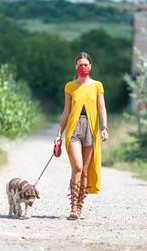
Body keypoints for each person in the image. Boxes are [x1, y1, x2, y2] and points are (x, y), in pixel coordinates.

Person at [54, 52, 108, 219]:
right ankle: (72, 206)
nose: (83, 68)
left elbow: (101, 108)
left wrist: (104, 127)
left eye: (85, 65)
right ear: (75, 67)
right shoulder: (70, 86)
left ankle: (79, 207)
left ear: (90, 66)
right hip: (74, 129)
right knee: (77, 166)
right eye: (80, 65)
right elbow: (66, 111)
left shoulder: (97, 85)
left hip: (90, 129)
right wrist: (59, 134)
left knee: (85, 170)